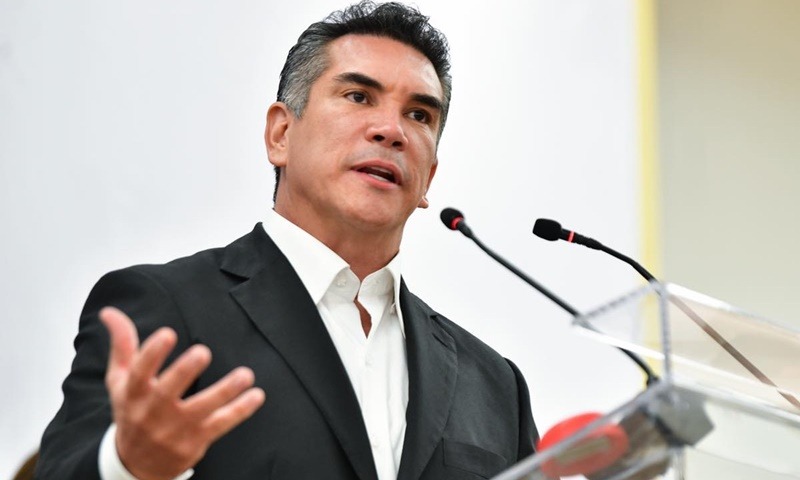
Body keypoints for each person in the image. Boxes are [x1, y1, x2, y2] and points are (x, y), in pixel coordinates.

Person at [35, 2, 538, 479]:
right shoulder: (169, 308)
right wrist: (130, 465)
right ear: (280, 134)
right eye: (358, 96)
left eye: (419, 115)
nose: (391, 130)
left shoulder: (494, 383)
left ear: (429, 177)